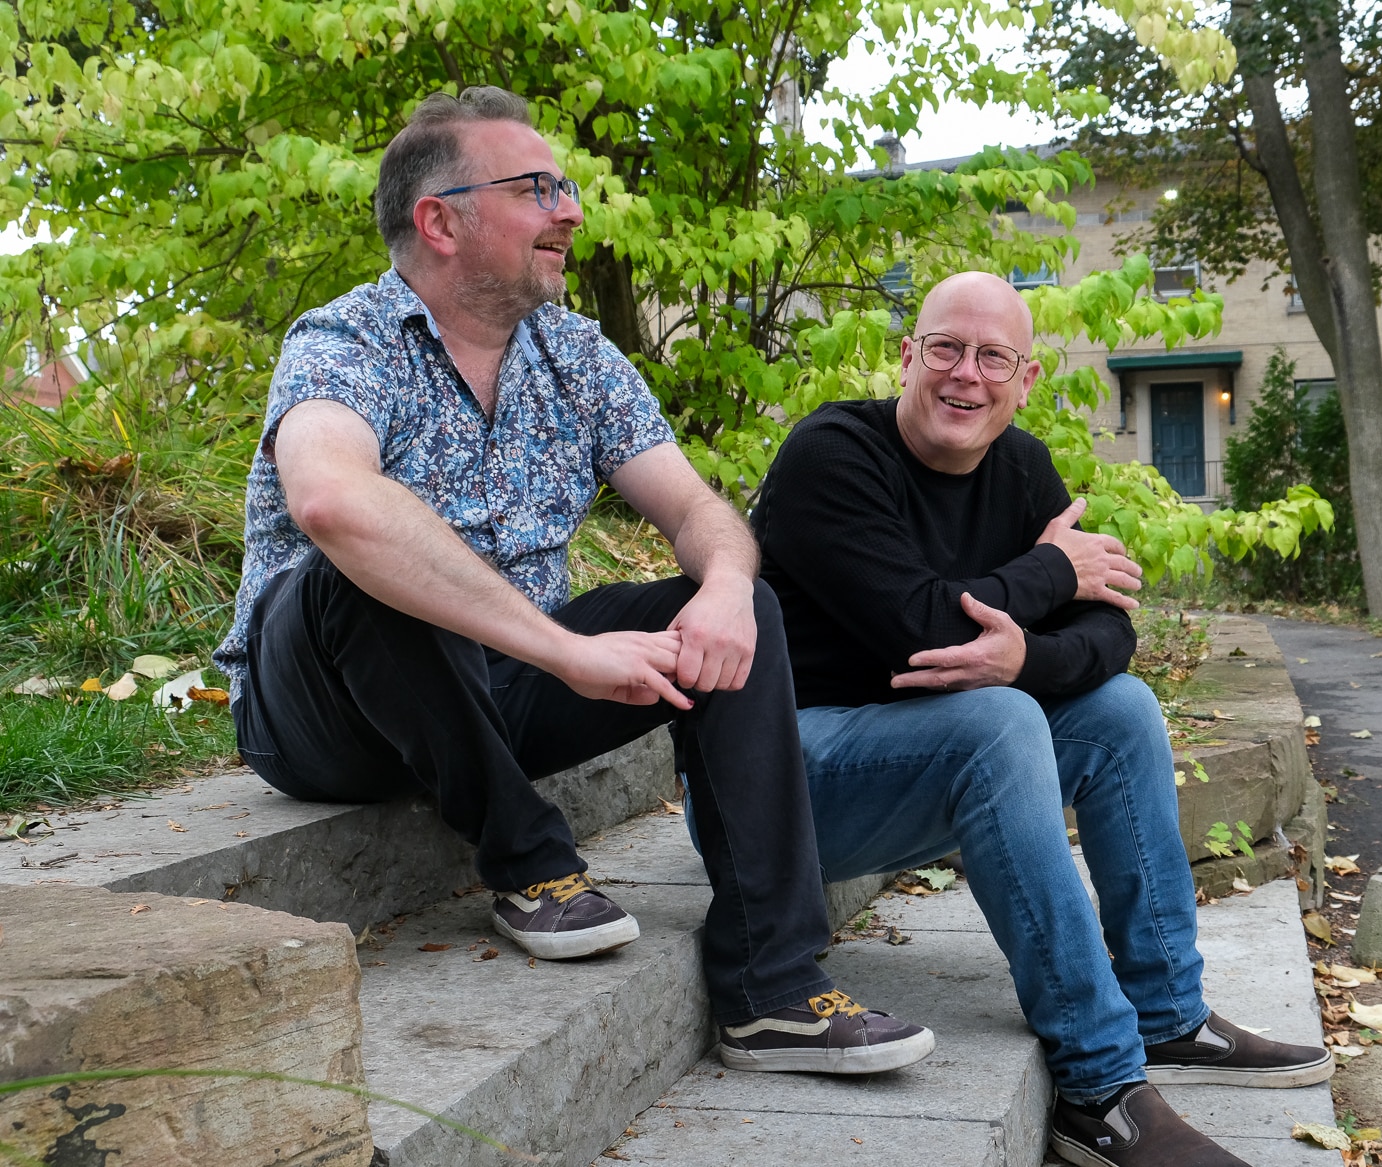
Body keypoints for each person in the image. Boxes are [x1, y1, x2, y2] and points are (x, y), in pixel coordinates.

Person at [212, 86, 931, 1076]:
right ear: (440, 219)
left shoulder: (574, 354)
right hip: (328, 718)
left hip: (499, 689)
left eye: (566, 188)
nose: (571, 211)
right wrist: (563, 651)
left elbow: (698, 512)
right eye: (536, 188)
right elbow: (331, 502)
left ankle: (774, 990)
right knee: (361, 559)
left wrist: (724, 589)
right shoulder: (345, 343)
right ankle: (531, 863)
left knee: (739, 602)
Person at [751, 271, 1334, 1165]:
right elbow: (922, 631)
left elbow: (1110, 630)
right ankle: (1101, 1088)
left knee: (1120, 709)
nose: (966, 375)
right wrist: (1051, 574)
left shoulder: (1018, 465)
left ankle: (1166, 1010)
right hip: (783, 783)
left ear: (1024, 380)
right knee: (997, 720)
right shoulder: (831, 453)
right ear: (907, 356)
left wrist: (1029, 653)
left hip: (911, 770)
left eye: (994, 357)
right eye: (946, 348)